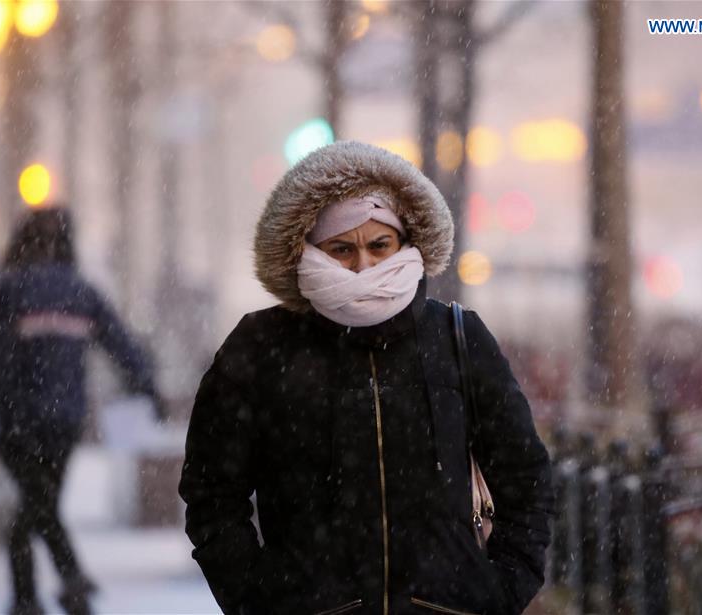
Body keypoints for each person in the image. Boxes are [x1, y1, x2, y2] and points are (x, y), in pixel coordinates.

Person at [179, 141, 553, 615]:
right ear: (307, 250)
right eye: (341, 249)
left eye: (380, 245)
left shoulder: (456, 338)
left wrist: (500, 592)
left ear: (406, 243)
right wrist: (256, 600)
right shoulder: (260, 347)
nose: (363, 265)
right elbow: (212, 493)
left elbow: (526, 477)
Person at [0, 206, 165, 615]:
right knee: (36, 505)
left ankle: (42, 593)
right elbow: (121, 344)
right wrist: (146, 386)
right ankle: (56, 589)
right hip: (65, 420)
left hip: (19, 419)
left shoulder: (11, 289)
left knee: (29, 508)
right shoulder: (81, 292)